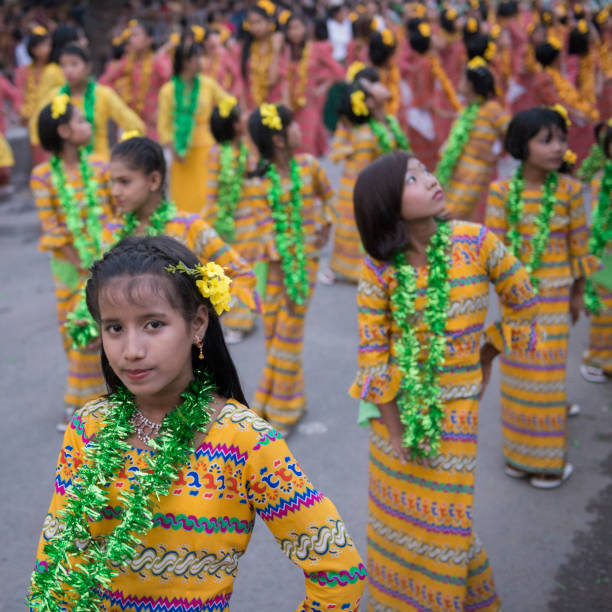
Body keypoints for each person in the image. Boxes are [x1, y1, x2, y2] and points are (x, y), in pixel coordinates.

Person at [28, 234, 367, 611]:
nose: (132, 351)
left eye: (153, 324)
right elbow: (57, 555)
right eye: (114, 328)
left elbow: (339, 570)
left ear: (198, 324)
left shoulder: (245, 441)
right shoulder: (89, 426)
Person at [350, 151, 538, 611]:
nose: (431, 179)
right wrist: (395, 433)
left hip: (456, 416)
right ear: (387, 207)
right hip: (396, 419)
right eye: (412, 179)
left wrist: (488, 352)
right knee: (400, 524)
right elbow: (373, 359)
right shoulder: (379, 271)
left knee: (447, 526)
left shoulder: (477, 243)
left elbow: (523, 300)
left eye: (425, 170)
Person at [485, 107, 599, 488]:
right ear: (522, 145)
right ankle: (518, 457)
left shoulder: (568, 190)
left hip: (554, 300)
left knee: (547, 379)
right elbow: (495, 249)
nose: (558, 148)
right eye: (546, 140)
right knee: (517, 379)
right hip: (516, 302)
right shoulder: (501, 192)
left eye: (562, 139)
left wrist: (579, 293)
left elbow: (578, 244)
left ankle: (547, 463)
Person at [101, 135, 259, 345]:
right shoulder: (113, 232)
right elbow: (97, 286)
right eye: (112, 182)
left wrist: (207, 315)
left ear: (155, 180)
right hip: (133, 354)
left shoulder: (189, 226)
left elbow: (241, 273)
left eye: (124, 182)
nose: (115, 192)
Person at [244, 103, 335, 434]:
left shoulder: (310, 167)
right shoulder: (257, 181)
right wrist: (281, 256)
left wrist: (324, 223)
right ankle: (290, 400)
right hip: (273, 271)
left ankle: (276, 409)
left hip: (304, 268)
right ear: (279, 140)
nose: (300, 129)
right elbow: (264, 228)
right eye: (293, 125)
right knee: (274, 337)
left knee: (288, 339)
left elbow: (328, 197)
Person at [30, 95, 111, 428]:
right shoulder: (42, 177)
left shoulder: (101, 168)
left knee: (105, 332)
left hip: (106, 264)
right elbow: (53, 229)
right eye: (81, 121)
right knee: (78, 336)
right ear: (64, 131)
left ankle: (92, 400)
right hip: (69, 269)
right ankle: (83, 403)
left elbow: (113, 215)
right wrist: (82, 264)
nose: (88, 125)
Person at [324, 67, 407, 285]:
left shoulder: (383, 123)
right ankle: (353, 270)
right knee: (353, 231)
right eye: (371, 91)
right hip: (356, 186)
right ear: (366, 102)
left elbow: (398, 150)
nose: (378, 90)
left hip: (372, 185)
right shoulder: (364, 132)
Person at [205, 96, 259, 342]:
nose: (245, 119)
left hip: (248, 219)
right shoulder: (216, 154)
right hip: (227, 222)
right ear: (235, 126)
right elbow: (212, 190)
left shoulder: (245, 149)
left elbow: (251, 177)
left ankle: (242, 320)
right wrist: (212, 219)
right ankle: (234, 320)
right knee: (229, 271)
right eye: (240, 116)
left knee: (246, 269)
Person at [31, 44, 145, 159]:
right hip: (64, 167)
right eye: (63, 65)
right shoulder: (54, 96)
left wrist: (120, 152)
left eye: (74, 64)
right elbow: (35, 125)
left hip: (99, 165)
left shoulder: (103, 94)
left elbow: (136, 126)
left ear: (87, 67)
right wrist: (50, 150)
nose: (68, 70)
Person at [158, 32, 227, 213]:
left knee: (206, 197)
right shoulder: (168, 90)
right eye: (196, 57)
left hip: (207, 150)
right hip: (181, 154)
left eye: (201, 56)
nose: (201, 61)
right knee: (182, 202)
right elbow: (164, 126)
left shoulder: (208, 84)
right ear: (185, 61)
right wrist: (174, 149)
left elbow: (228, 104)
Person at [439, 56, 510, 222]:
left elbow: (511, 132)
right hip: (457, 171)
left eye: (463, 78)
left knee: (452, 218)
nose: (460, 81)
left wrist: (499, 154)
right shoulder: (468, 108)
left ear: (470, 85)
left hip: (475, 175)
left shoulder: (491, 109)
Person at [99, 19, 172, 140]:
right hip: (130, 122)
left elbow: (171, 87)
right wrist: (117, 96)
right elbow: (105, 81)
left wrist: (161, 111)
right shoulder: (127, 62)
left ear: (149, 40)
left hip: (153, 124)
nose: (131, 39)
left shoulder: (158, 61)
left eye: (136, 35)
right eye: (131, 36)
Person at [284, 11, 344, 157]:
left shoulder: (316, 49)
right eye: (290, 28)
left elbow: (340, 72)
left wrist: (324, 87)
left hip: (309, 104)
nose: (293, 32)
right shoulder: (285, 51)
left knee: (305, 145)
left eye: (297, 28)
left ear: (305, 29)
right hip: (289, 105)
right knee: (291, 145)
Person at [581, 120, 612, 383]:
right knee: (605, 310)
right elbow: (600, 220)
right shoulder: (602, 180)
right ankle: (597, 360)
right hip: (607, 255)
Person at [236, 0, 286, 112]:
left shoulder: (279, 45)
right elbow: (242, 81)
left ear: (270, 22)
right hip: (252, 108)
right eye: (252, 23)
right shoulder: (245, 48)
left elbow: (272, 79)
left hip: (275, 107)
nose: (255, 27)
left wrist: (276, 50)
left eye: (258, 22)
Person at [15, 25, 51, 164]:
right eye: (43, 45)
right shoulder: (24, 71)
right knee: (37, 153)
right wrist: (22, 111)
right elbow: (19, 93)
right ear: (33, 49)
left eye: (48, 45)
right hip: (32, 118)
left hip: (50, 115)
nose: (47, 49)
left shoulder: (53, 70)